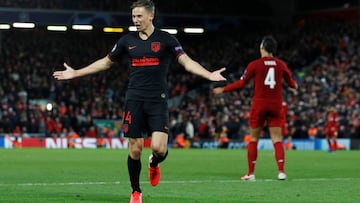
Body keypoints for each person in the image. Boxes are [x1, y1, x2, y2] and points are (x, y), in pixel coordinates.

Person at [52, 0, 226, 202]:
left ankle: (154, 163)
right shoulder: (127, 41)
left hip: (157, 100)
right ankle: (136, 191)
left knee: (159, 149)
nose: (135, 20)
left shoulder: (167, 39)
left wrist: (208, 75)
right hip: (134, 99)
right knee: (135, 148)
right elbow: (106, 62)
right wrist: (77, 73)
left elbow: (186, 62)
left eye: (139, 16)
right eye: (133, 16)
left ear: (151, 16)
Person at [213, 35, 297, 181]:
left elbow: (241, 83)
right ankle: (281, 172)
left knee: (253, 139)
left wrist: (223, 89)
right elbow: (291, 83)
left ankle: (251, 173)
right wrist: (295, 86)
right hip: (276, 105)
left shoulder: (255, 64)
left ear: (262, 48)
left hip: (259, 105)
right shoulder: (281, 64)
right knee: (277, 140)